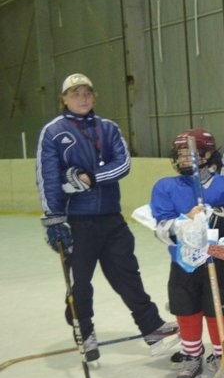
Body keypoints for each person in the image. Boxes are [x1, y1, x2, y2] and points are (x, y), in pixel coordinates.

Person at [37, 73, 178, 361]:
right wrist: (54, 219)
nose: (82, 98)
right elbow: (48, 178)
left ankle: (151, 328)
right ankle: (84, 330)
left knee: (128, 276)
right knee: (79, 283)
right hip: (76, 221)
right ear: (64, 99)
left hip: (111, 218)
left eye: (87, 93)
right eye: (75, 94)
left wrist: (89, 178)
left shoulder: (108, 128)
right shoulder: (53, 132)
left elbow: (122, 165)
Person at [150, 129, 224, 378]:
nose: (183, 159)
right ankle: (191, 355)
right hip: (184, 262)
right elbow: (162, 229)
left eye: (189, 153)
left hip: (218, 260)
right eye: (180, 154)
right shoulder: (166, 187)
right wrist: (187, 223)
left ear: (208, 154)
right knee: (185, 308)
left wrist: (222, 222)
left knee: (219, 310)